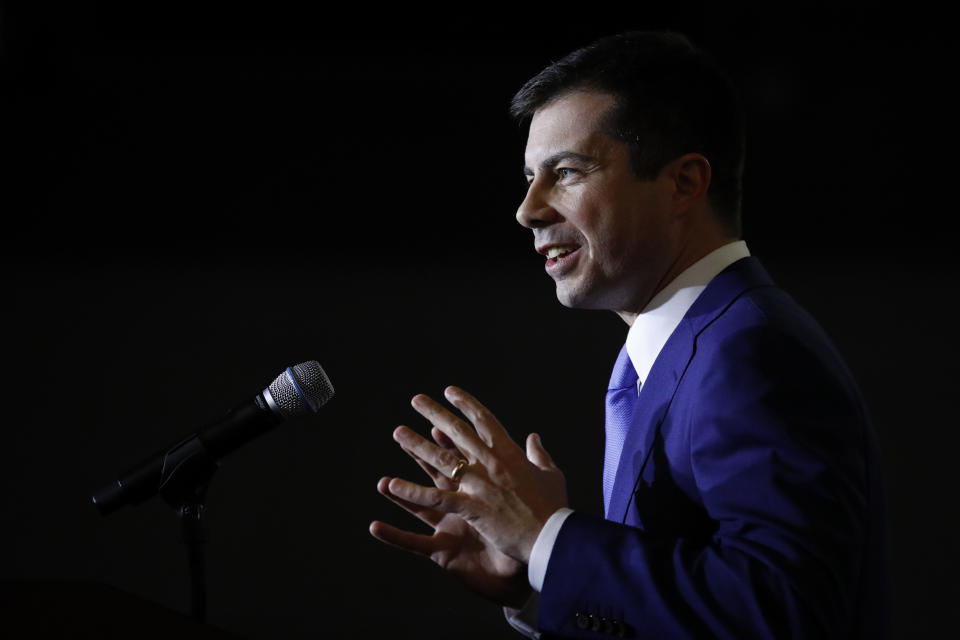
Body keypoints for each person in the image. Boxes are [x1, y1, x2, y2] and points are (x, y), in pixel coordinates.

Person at [369, 31, 889, 638]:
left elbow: (783, 613)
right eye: (529, 177)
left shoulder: (749, 352)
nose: (527, 210)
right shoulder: (675, 354)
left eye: (565, 172)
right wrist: (538, 584)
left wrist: (547, 539)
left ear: (683, 184)